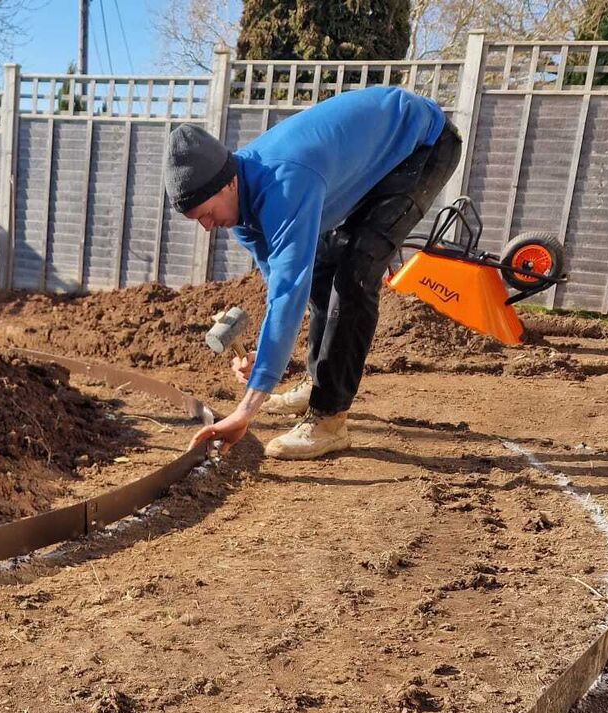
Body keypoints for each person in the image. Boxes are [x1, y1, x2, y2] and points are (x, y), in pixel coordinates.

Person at [165, 86, 462, 459]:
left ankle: (329, 418)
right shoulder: (238, 209)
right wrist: (263, 361)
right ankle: (317, 381)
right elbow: (280, 283)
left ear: (228, 183)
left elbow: (289, 292)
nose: (208, 227)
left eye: (206, 213)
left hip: (422, 143)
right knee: (323, 264)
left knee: (356, 270)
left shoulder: (284, 183)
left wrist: (246, 410)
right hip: (371, 156)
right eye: (198, 221)